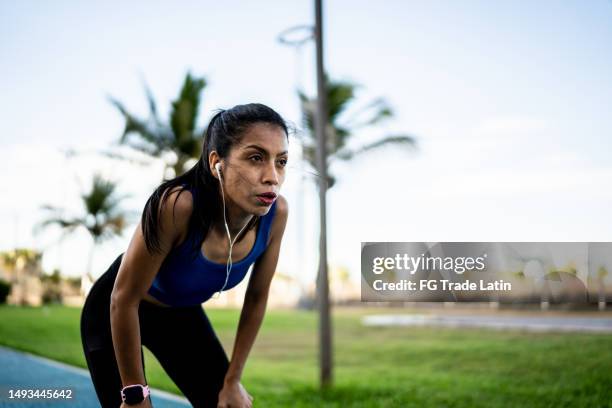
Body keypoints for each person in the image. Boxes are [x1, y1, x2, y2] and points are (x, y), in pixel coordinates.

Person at [80, 103, 289, 408]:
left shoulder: (276, 214)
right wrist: (135, 393)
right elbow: (123, 299)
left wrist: (232, 381)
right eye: (256, 158)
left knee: (228, 404)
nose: (272, 176)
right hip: (116, 309)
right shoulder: (178, 206)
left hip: (179, 314)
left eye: (281, 161)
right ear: (217, 162)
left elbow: (257, 297)